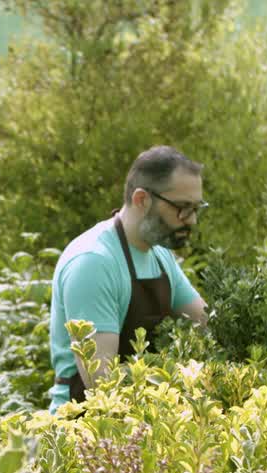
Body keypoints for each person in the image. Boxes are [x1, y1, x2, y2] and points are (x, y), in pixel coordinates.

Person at [48, 146, 209, 412]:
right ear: (142, 199)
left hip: (138, 422)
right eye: (182, 208)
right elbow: (100, 384)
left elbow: (206, 323)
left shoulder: (160, 256)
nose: (191, 221)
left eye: (196, 209)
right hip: (83, 429)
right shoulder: (94, 262)